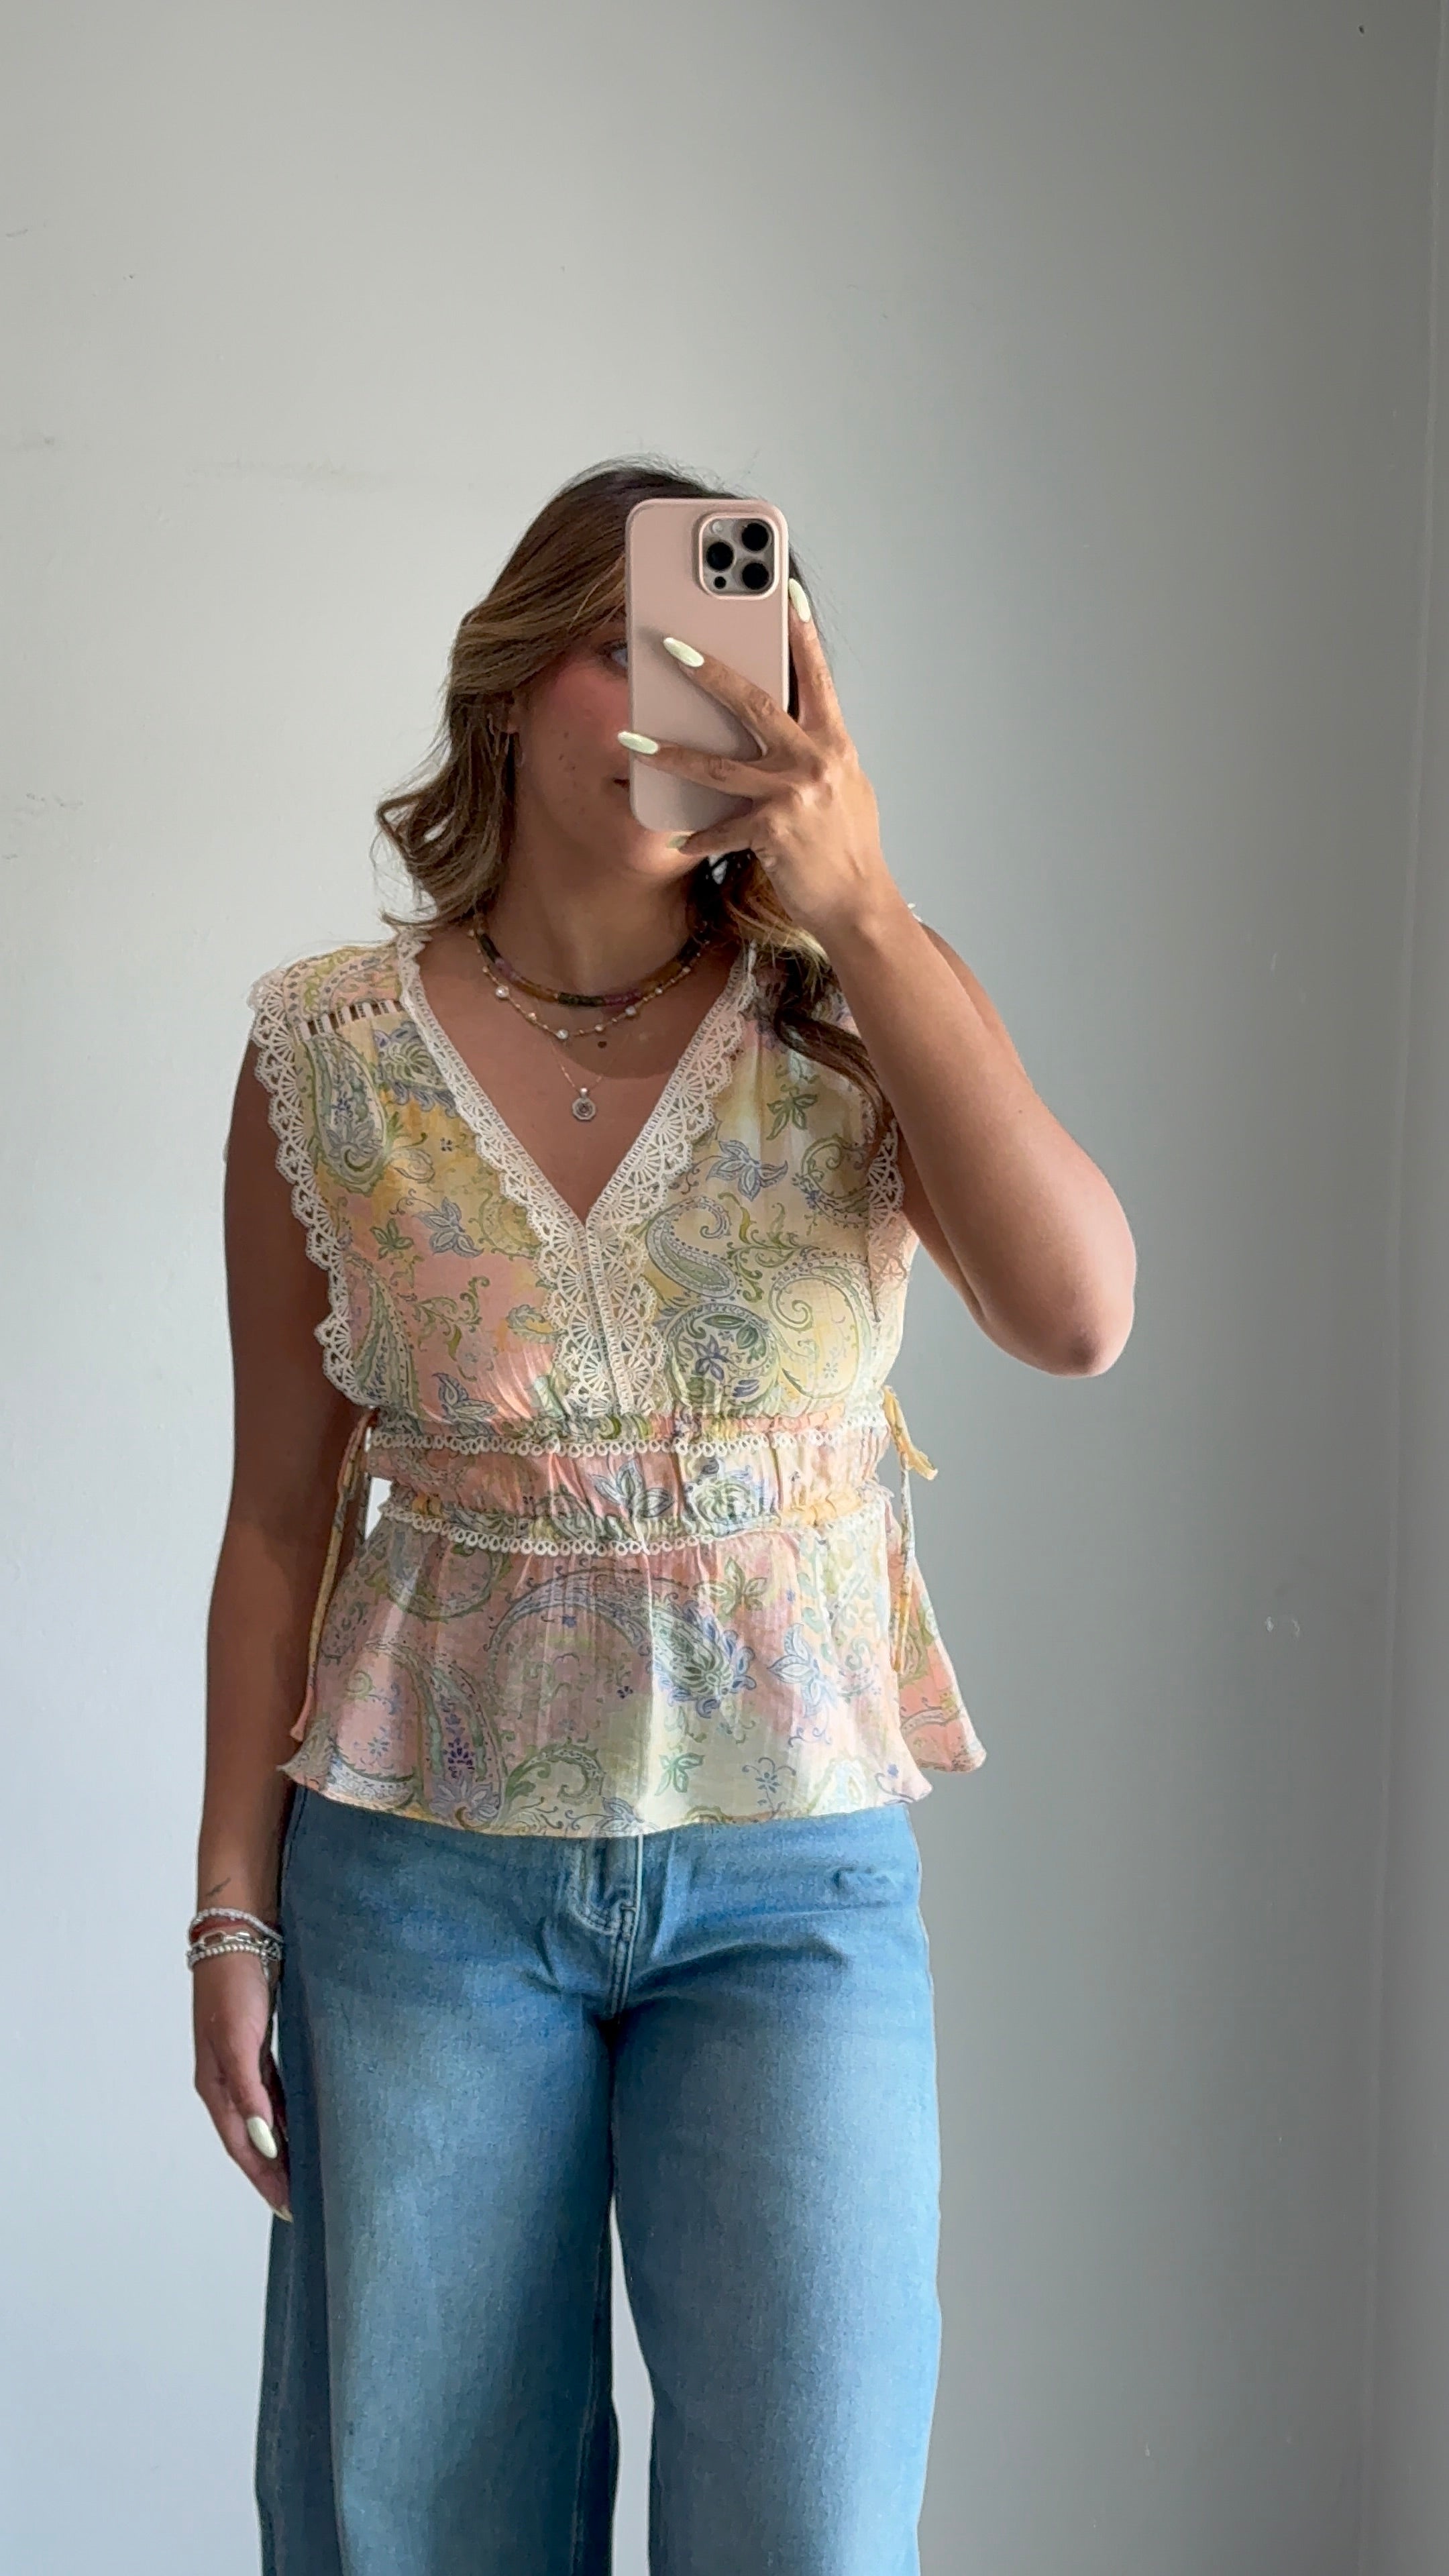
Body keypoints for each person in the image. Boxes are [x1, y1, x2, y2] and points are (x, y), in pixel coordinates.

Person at [191, 455, 1136, 2576]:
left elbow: (1079, 1317)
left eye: (741, 661)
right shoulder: (325, 1053)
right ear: (515, 676)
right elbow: (275, 1517)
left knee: (813, 2528)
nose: (683, 703)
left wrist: (863, 908)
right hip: (419, 1887)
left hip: (790, 1883)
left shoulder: (861, 1012)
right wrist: (230, 1915)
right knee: (423, 2529)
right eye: (634, 646)